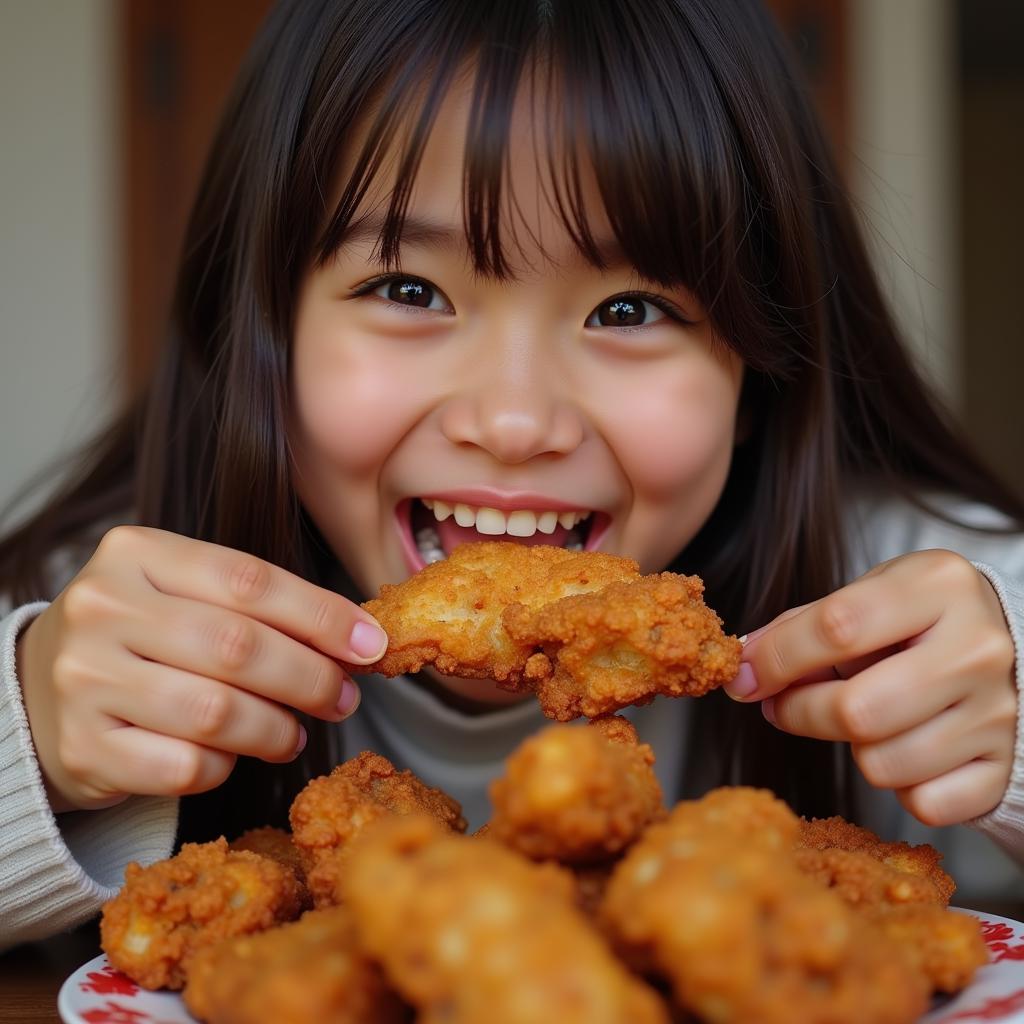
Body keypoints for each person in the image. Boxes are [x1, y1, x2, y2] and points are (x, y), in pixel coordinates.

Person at [1, 0, 1021, 950]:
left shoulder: (896, 591)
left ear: (758, 371)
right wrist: (37, 745)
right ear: (257, 336)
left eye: (628, 310)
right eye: (407, 288)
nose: (514, 421)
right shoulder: (110, 617)